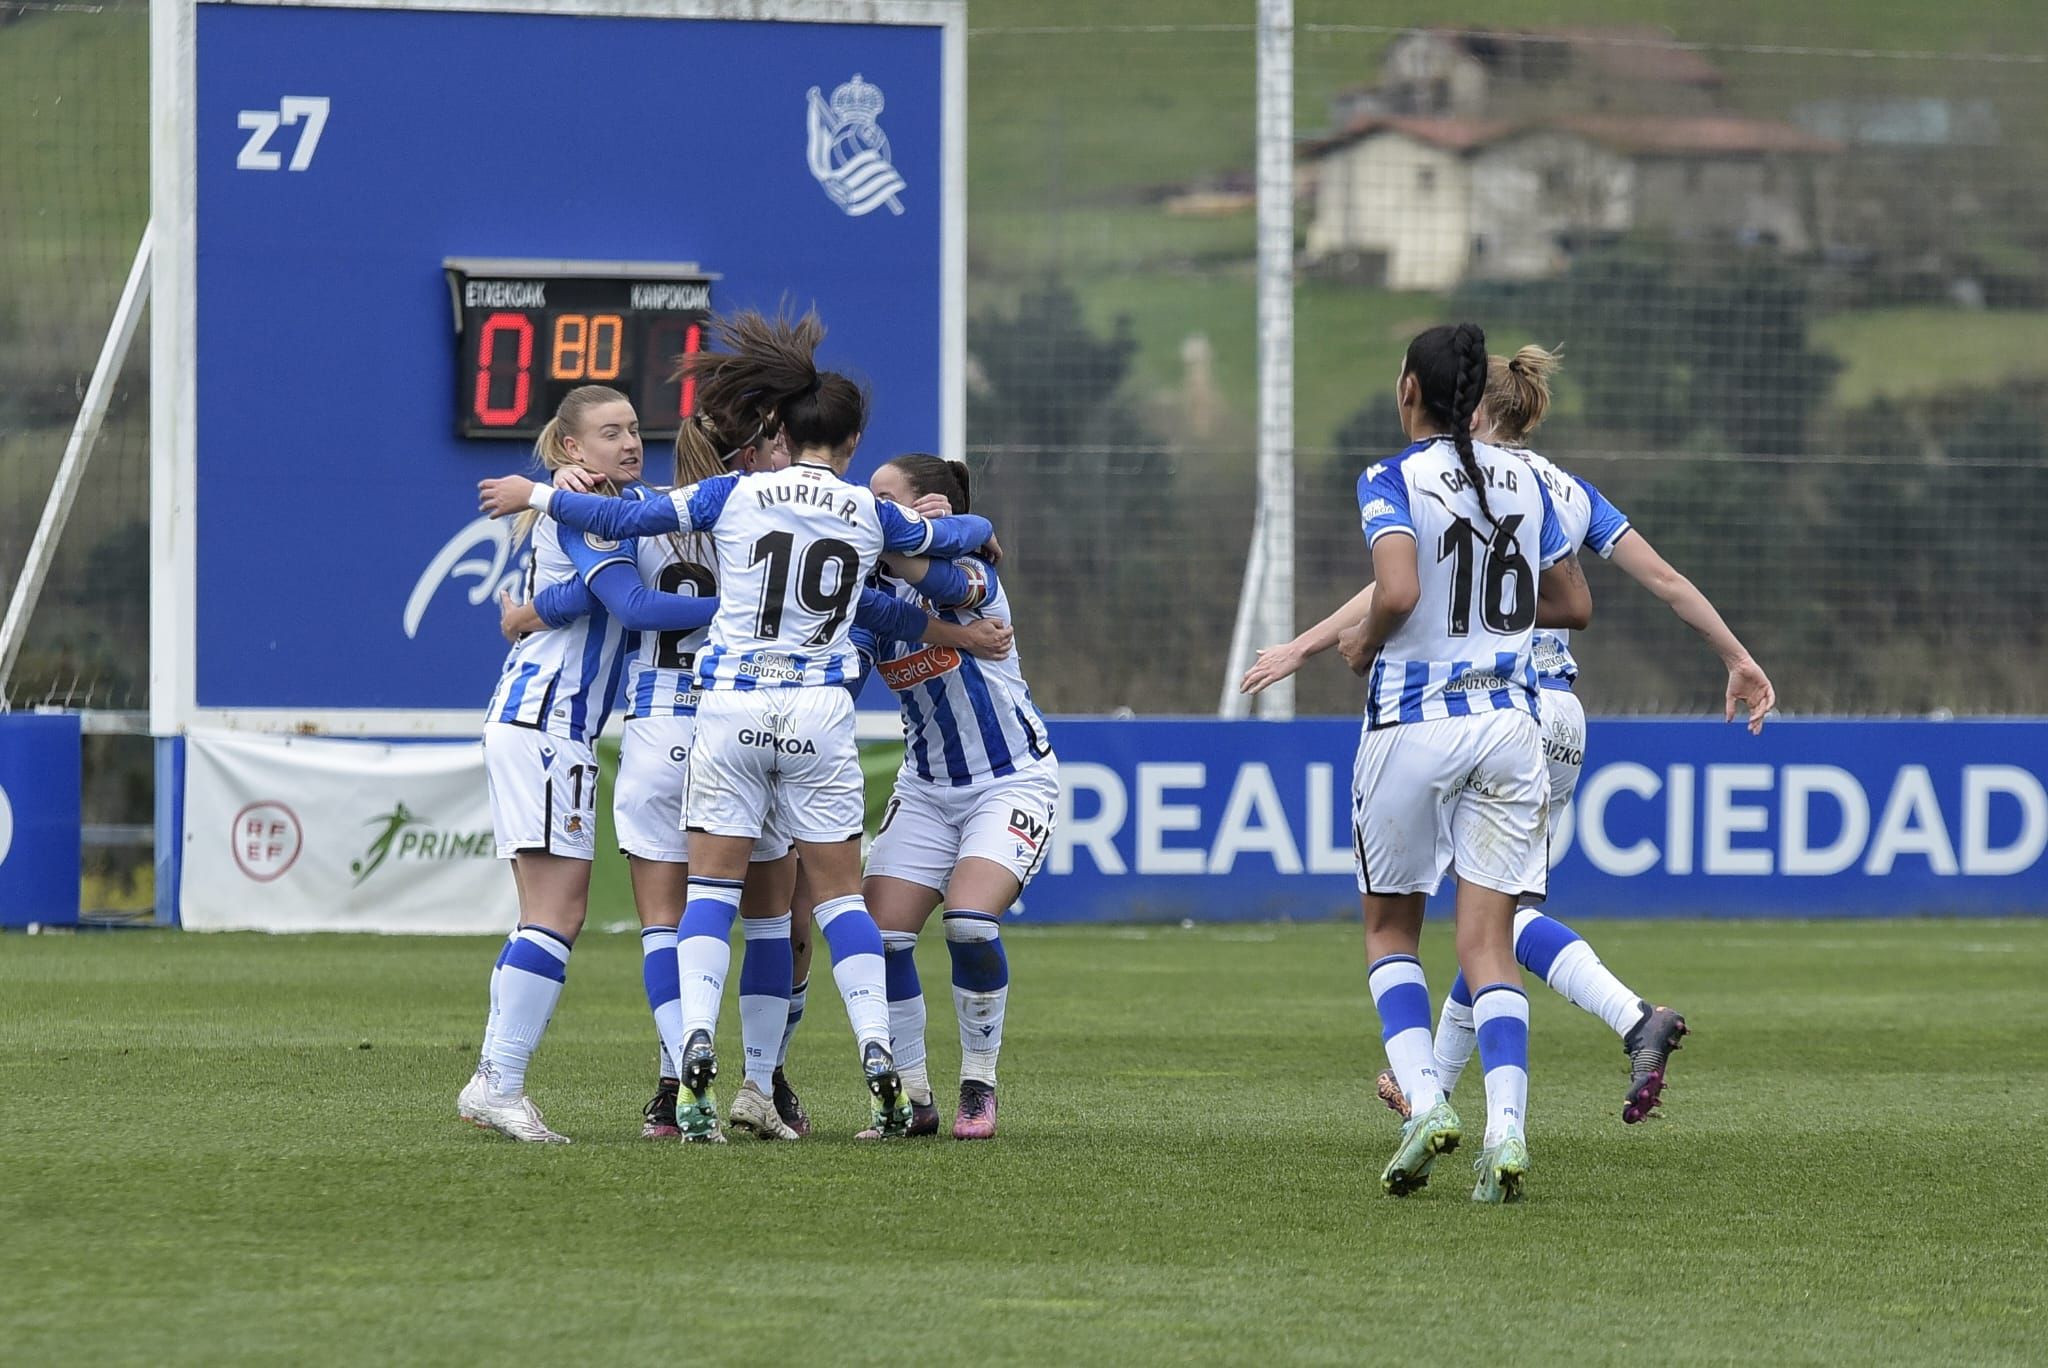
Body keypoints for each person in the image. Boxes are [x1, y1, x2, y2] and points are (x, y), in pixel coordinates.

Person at [480, 308, 995, 1140]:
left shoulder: (704, 502)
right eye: (609, 430)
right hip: (804, 715)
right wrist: (967, 573)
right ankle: (801, 1070)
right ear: (839, 439)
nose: (624, 444)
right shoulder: (851, 511)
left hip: (688, 719)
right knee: (803, 909)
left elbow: (619, 574)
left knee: (680, 912)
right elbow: (923, 565)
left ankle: (677, 1072)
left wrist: (538, 536)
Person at [1243, 344, 1775, 1124]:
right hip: (1557, 720)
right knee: (1489, 916)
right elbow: (1662, 580)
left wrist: (1310, 646)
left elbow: (1392, 586)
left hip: (1492, 707)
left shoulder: (1457, 482)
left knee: (1486, 921)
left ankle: (1630, 1016)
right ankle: (1435, 1086)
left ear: (1471, 412)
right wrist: (1736, 655)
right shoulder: (1559, 485)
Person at [1337, 323, 1589, 1203]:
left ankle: (1426, 1104)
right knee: (1488, 944)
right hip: (1510, 729)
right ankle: (1507, 1130)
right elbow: (1573, 602)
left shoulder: (1389, 477)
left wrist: (1365, 639)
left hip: (1412, 724)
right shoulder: (1526, 477)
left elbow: (1398, 590)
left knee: (1389, 932)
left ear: (1409, 389)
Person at [458, 385, 730, 1144]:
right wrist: (748, 606)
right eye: (609, 433)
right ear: (571, 450)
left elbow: (584, 592)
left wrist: (532, 610)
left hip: (552, 727)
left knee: (547, 916)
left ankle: (496, 1078)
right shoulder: (574, 507)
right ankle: (497, 1083)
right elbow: (635, 607)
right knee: (556, 914)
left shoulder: (608, 503)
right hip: (545, 721)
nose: (629, 442)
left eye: (634, 429)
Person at [850, 453, 1057, 1140]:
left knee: (970, 924)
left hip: (1010, 780)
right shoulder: (864, 596)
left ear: (926, 511)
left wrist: (953, 534)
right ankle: (914, 1096)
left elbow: (939, 573)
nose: (867, 507)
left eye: (885, 499)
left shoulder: (971, 575)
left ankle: (979, 1083)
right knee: (880, 939)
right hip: (927, 788)